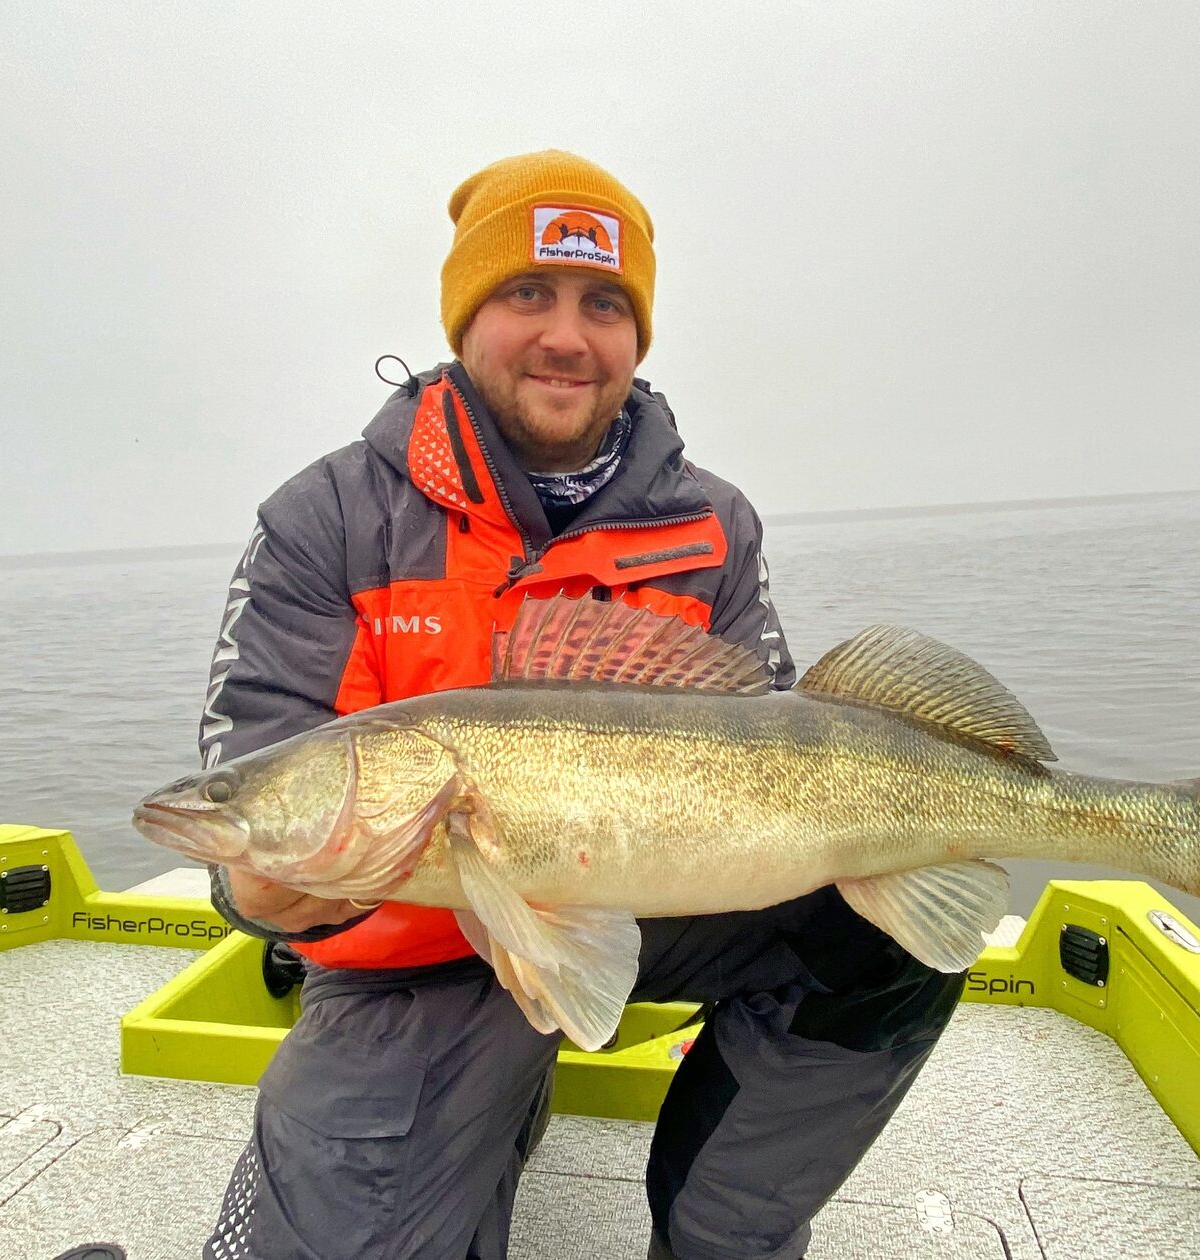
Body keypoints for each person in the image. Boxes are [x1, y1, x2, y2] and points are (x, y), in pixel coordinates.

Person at [196, 150, 966, 1260]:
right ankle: (475, 1107)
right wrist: (268, 890)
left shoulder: (715, 524)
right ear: (464, 318)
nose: (567, 334)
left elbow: (770, 729)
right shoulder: (324, 519)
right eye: (527, 293)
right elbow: (262, 792)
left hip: (657, 902)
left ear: (636, 337)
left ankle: (722, 1236)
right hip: (419, 947)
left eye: (605, 304)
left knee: (888, 936)